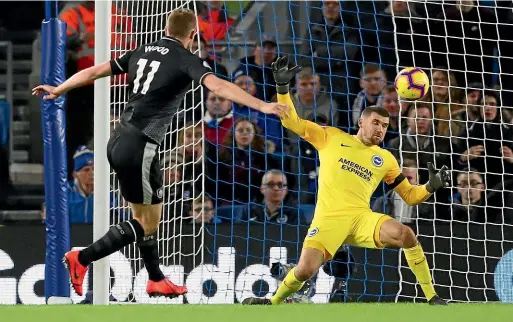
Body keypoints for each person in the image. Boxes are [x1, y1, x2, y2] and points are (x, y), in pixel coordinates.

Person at [32, 9, 288, 299]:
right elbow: (218, 85)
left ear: (166, 28)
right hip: (139, 145)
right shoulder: (185, 58)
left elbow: (94, 71)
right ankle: (82, 259)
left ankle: (155, 278)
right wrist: (262, 105)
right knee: (146, 222)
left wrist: (60, 88)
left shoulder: (140, 51)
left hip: (121, 140)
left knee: (146, 215)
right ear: (193, 35)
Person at [242, 57, 450, 306]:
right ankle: (273, 302)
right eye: (375, 123)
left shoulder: (385, 158)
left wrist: (430, 186)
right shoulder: (331, 136)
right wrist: (283, 90)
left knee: (406, 234)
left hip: (362, 218)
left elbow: (410, 196)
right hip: (328, 219)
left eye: (384, 125)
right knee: (305, 270)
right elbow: (291, 122)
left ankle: (432, 297)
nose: (380, 130)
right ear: (361, 122)